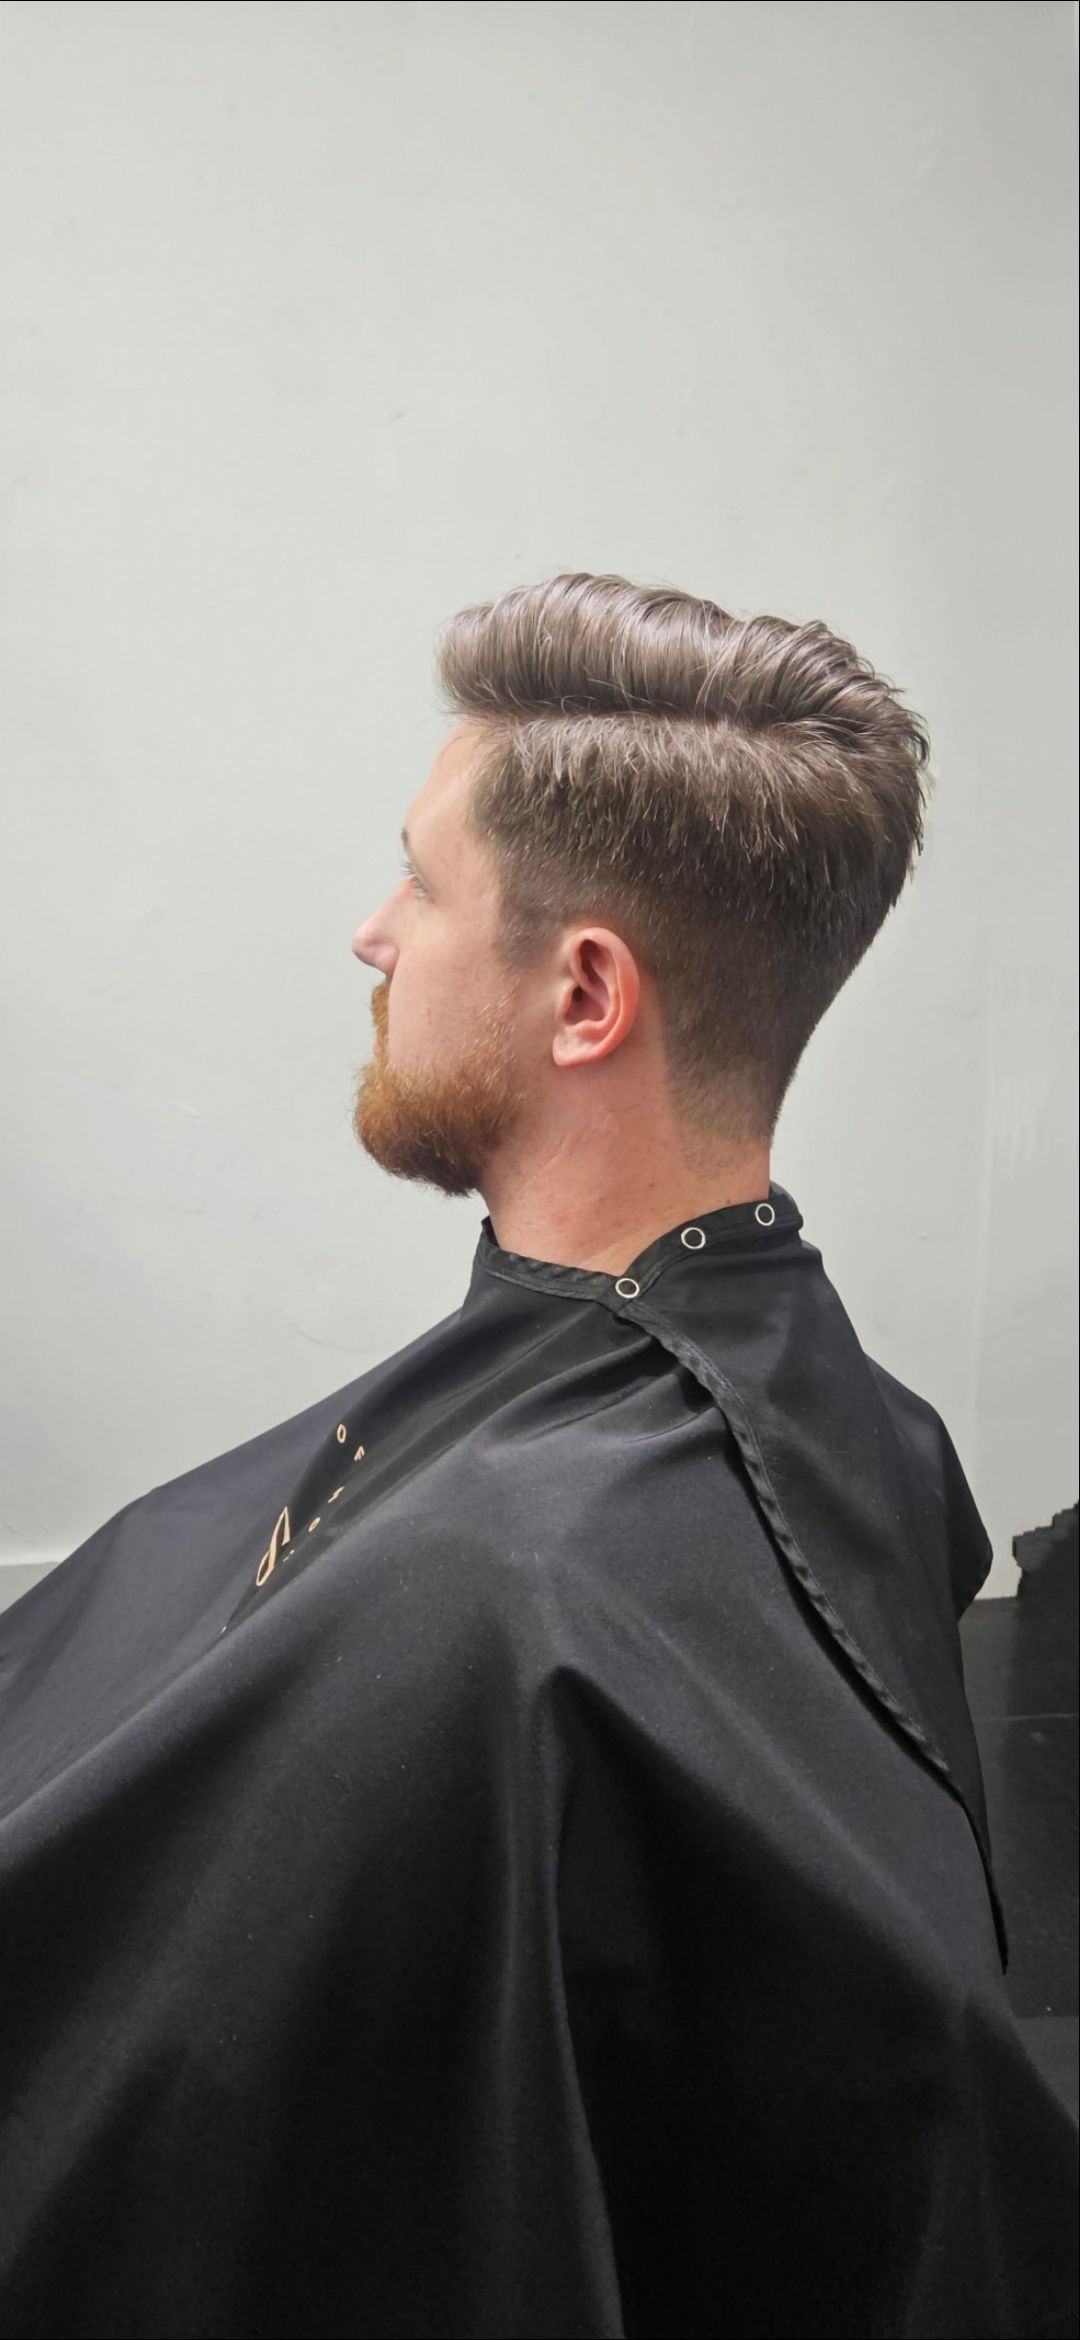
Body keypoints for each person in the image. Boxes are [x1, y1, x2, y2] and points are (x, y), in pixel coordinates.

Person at [0, 571, 1075, 2340]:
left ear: (585, 995)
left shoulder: (495, 1602)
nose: (373, 933)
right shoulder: (877, 1433)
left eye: (422, 883)